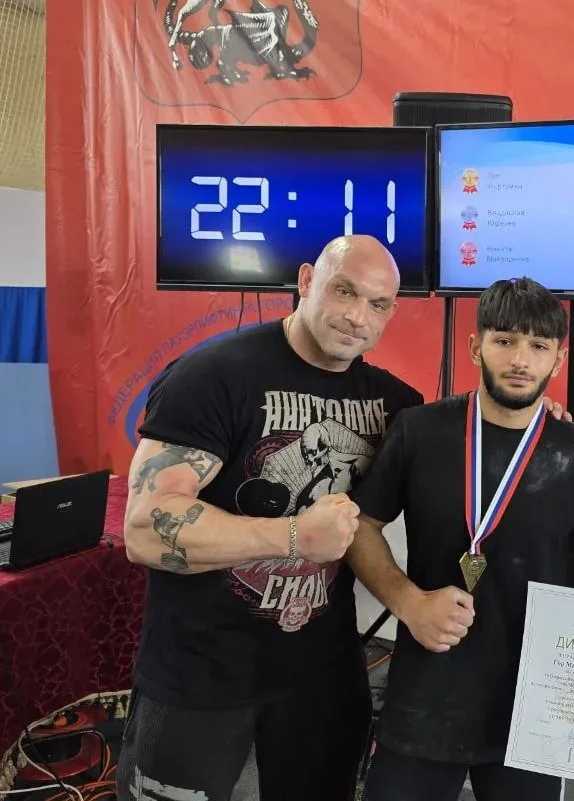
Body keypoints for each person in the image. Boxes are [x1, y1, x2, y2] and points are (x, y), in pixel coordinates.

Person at [115, 236, 424, 801]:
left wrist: (537, 420)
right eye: (344, 291)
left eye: (377, 304)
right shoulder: (213, 375)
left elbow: (463, 459)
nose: (358, 317)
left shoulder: (395, 403)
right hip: (201, 670)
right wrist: (294, 535)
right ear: (306, 281)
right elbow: (145, 528)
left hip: (323, 676)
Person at [348, 277, 574, 801]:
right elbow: (360, 526)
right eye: (504, 341)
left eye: (538, 346)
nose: (521, 359)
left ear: (558, 360)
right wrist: (406, 601)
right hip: (425, 696)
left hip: (540, 702)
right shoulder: (419, 431)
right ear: (475, 346)